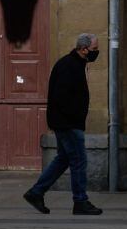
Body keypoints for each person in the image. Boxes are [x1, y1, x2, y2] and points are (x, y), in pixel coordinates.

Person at [23, 33, 104, 216]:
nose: (96, 53)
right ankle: (80, 201)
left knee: (64, 159)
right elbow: (62, 97)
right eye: (94, 49)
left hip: (67, 122)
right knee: (79, 160)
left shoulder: (76, 64)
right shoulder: (69, 65)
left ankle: (36, 192)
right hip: (68, 124)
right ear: (83, 49)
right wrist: (74, 118)